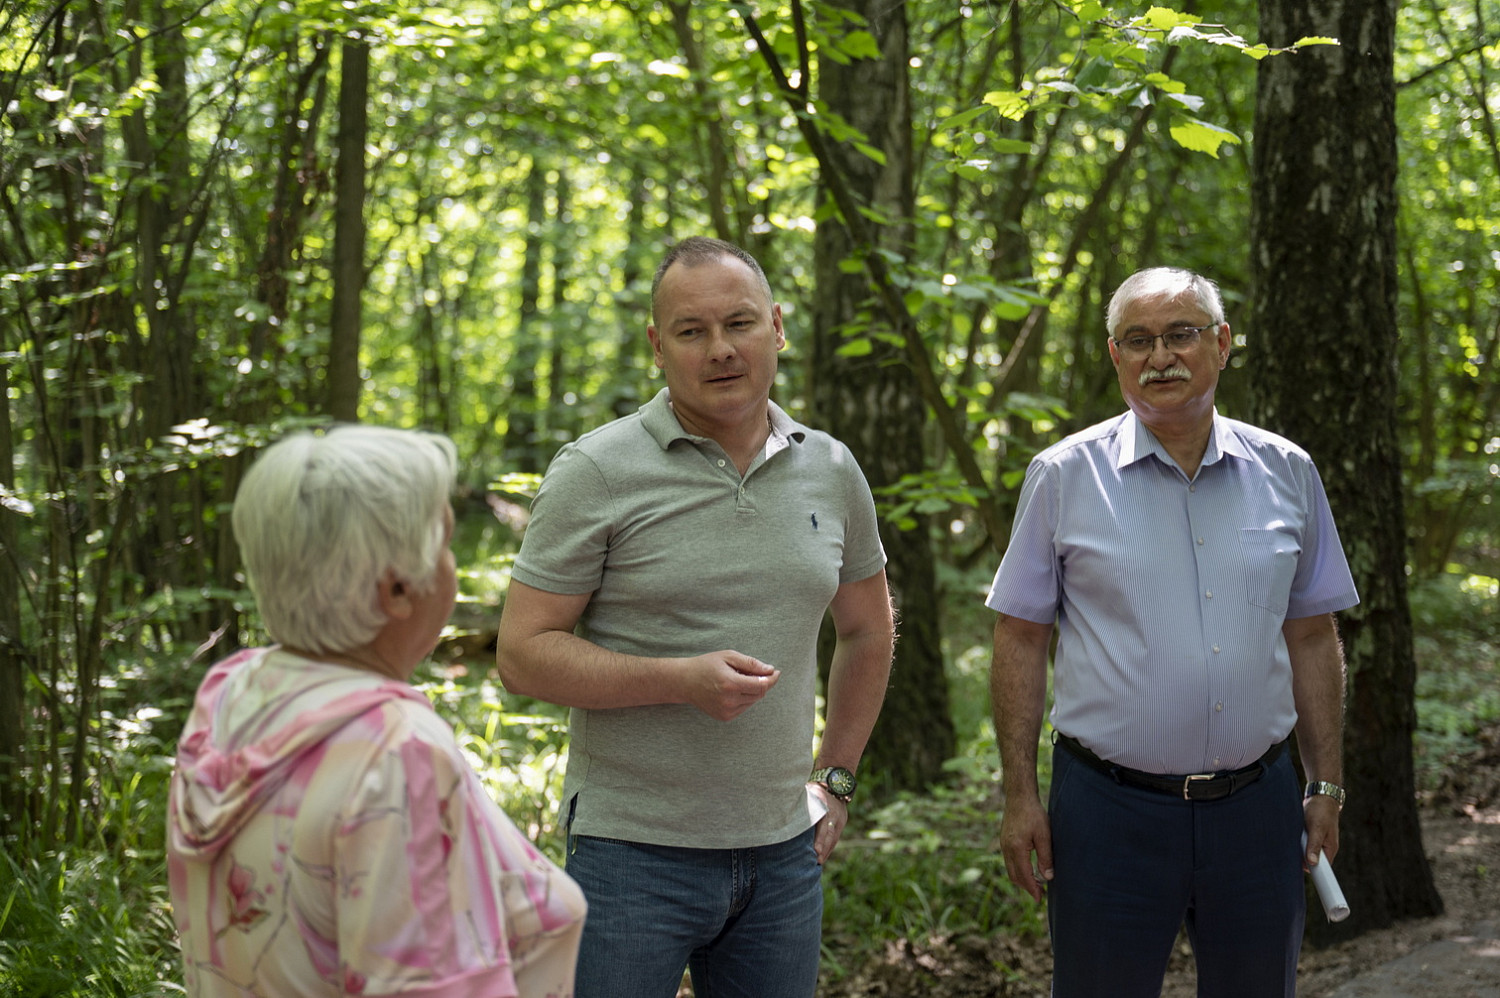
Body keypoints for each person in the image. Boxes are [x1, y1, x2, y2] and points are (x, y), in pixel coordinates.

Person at [495, 235, 895, 998]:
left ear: (776, 327)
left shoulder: (832, 467)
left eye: (739, 324)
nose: (720, 349)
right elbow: (521, 654)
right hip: (630, 853)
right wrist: (677, 679)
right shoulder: (597, 472)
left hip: (784, 854)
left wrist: (835, 779)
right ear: (657, 345)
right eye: (691, 331)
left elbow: (868, 628)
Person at [986, 267, 1358, 997]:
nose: (1160, 357)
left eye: (1181, 334)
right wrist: (1019, 795)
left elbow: (1313, 635)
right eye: (1138, 340)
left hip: (1258, 812)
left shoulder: (1287, 471)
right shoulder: (1063, 476)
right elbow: (1020, 638)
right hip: (1107, 814)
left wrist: (1325, 785)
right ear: (1114, 355)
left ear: (1221, 344)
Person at [167, 425, 586, 998]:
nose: (451, 563)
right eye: (443, 542)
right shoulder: (396, 752)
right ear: (396, 590)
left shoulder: (231, 691)